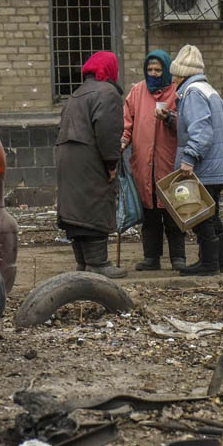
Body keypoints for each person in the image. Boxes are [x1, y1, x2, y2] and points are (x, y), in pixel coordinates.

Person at [55, 51, 127, 279]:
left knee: (77, 208)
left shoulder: (77, 93)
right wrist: (112, 163)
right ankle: (98, 263)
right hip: (90, 158)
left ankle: (83, 262)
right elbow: (108, 132)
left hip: (68, 158)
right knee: (96, 201)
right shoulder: (107, 93)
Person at [169, 44, 223, 276]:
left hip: (203, 166)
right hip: (217, 164)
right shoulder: (209, 90)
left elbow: (202, 131)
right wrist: (172, 120)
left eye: (174, 73)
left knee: (200, 215)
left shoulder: (192, 93)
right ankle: (222, 260)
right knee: (212, 214)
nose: (172, 78)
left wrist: (189, 158)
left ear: (182, 72)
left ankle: (208, 263)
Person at [121, 50, 186, 271]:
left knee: (173, 212)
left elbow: (186, 126)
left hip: (169, 163)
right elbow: (127, 124)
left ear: (166, 70)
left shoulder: (177, 92)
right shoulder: (137, 92)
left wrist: (170, 118)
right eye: (150, 69)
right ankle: (152, 258)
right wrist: (122, 141)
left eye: (158, 70)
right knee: (149, 215)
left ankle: (178, 257)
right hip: (143, 165)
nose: (153, 73)